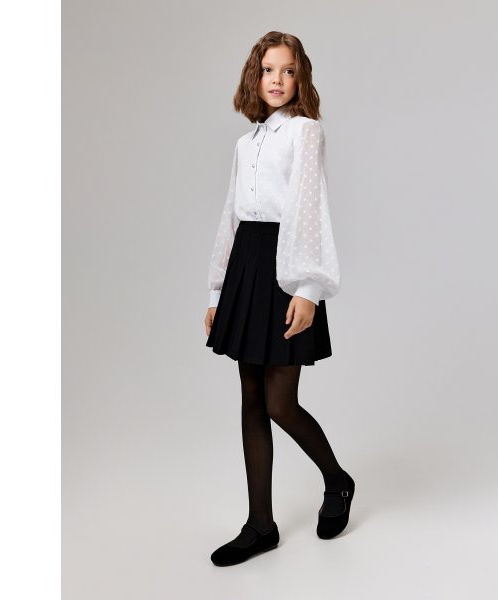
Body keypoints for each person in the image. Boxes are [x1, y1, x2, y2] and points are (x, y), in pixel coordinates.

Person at [204, 32, 355, 567]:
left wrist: (307, 288)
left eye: (288, 71)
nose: (277, 80)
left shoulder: (305, 132)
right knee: (250, 394)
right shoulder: (245, 144)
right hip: (246, 261)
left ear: (300, 78)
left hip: (286, 261)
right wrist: (217, 289)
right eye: (269, 70)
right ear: (255, 76)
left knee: (278, 401)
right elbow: (231, 214)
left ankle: (337, 480)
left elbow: (310, 209)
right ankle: (260, 525)